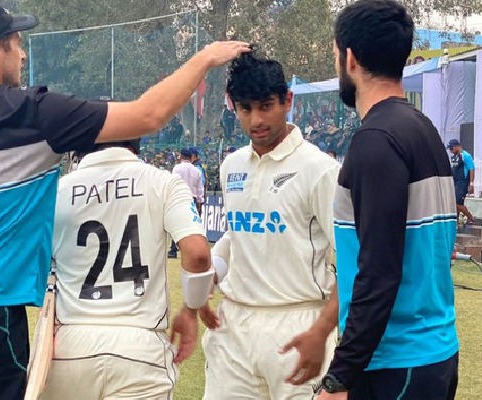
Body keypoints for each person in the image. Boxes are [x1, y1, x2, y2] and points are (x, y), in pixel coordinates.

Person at [0, 0, 250, 398]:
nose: (23, 54)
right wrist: (204, 58)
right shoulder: (33, 113)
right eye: (17, 43)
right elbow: (149, 115)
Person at [316, 1, 459, 398]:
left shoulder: (376, 140)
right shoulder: (422, 128)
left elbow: (378, 272)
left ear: (350, 59)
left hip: (395, 363)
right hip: (432, 355)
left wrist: (339, 377)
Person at [199, 50, 340, 399]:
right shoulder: (232, 166)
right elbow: (237, 235)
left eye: (266, 106)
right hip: (234, 324)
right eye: (245, 109)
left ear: (287, 101)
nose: (256, 120)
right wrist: (203, 283)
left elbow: (355, 260)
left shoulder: (320, 170)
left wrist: (322, 331)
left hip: (297, 322)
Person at [42, 138, 212, 399]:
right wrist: (191, 310)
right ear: (134, 142)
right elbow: (198, 254)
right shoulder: (163, 182)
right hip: (140, 346)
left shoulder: (57, 191)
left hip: (69, 344)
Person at [168, 148, 204, 258]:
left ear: (181, 156)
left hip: (179, 197)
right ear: (190, 157)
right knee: (192, 226)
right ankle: (192, 250)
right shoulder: (197, 171)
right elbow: (200, 189)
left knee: (176, 224)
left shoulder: (177, 168)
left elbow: (172, 184)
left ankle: (173, 250)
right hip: (192, 199)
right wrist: (200, 203)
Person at [447, 138, 475, 224]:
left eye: (451, 148)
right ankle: (455, 221)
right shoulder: (453, 157)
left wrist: (471, 184)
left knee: (457, 203)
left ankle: (470, 217)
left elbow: (471, 169)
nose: (451, 151)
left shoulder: (465, 155)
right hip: (454, 182)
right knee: (454, 204)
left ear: (456, 146)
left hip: (462, 183)